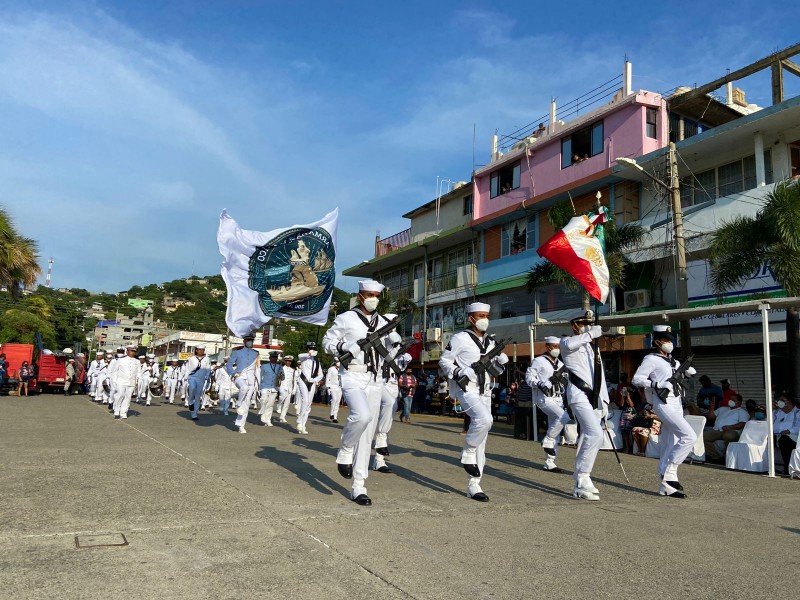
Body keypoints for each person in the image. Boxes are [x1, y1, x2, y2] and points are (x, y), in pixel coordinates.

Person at [322, 279, 394, 506]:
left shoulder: (383, 321)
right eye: (369, 294)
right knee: (361, 416)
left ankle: (359, 486)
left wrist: (395, 343)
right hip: (352, 374)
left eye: (377, 295)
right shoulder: (346, 318)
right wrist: (344, 347)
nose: (373, 299)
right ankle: (345, 449)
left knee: (367, 432)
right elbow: (327, 343)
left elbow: (388, 353)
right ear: (360, 295)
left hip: (375, 377)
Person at [439, 301, 509, 503]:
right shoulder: (460, 338)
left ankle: (474, 484)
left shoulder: (491, 342)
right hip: (467, 390)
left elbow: (495, 370)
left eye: (486, 316)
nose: (483, 320)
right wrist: (460, 371)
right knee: (485, 420)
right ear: (471, 318)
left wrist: (501, 362)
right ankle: (467, 451)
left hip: (485, 391)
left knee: (483, 439)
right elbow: (445, 360)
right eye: (479, 316)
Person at [632, 325, 697, 498]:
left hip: (676, 402)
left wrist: (687, 373)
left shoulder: (673, 361)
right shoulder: (651, 359)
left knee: (670, 441)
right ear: (657, 342)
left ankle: (666, 483)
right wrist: (656, 384)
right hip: (663, 403)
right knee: (689, 436)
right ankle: (670, 472)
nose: (670, 343)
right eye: (666, 340)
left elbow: (679, 376)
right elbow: (637, 379)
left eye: (671, 339)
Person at [560, 311, 609, 501]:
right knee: (594, 433)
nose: (588, 326)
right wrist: (590, 334)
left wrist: (604, 401)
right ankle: (583, 477)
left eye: (590, 323)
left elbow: (600, 376)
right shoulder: (566, 342)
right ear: (574, 326)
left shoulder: (592, 348)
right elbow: (571, 344)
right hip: (578, 394)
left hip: (594, 396)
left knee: (587, 437)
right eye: (584, 323)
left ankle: (578, 483)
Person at [526, 335, 570, 472]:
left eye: (558, 347)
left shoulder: (562, 364)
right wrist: (539, 383)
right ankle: (547, 440)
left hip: (558, 398)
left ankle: (550, 462)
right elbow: (529, 378)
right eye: (554, 347)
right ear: (548, 346)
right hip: (544, 398)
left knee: (555, 428)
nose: (556, 349)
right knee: (563, 417)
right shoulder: (538, 361)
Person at [373, 329, 411, 474]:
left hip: (393, 388)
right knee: (369, 423)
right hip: (378, 385)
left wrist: (400, 347)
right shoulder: (378, 351)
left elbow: (405, 360)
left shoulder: (403, 355)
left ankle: (379, 460)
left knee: (386, 426)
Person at [703, 393, 750, 462]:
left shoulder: (742, 412)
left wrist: (731, 427)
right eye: (730, 399)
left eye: (733, 400)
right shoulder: (722, 409)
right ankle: (715, 456)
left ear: (738, 402)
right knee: (703, 437)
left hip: (732, 431)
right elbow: (711, 417)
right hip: (717, 430)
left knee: (728, 436)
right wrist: (711, 408)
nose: (730, 401)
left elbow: (743, 423)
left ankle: (727, 457)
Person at [227, 333, 260, 432]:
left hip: (251, 379)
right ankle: (238, 403)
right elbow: (228, 365)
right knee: (244, 388)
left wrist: (259, 383)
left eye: (251, 340)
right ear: (244, 342)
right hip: (239, 376)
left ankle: (241, 425)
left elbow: (257, 369)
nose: (250, 342)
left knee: (246, 404)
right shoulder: (237, 352)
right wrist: (233, 373)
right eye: (248, 340)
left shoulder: (256, 353)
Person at [296, 342, 323, 434]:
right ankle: (299, 420)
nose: (312, 350)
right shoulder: (304, 358)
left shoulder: (317, 362)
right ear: (307, 349)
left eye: (314, 349)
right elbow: (299, 355)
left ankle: (303, 426)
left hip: (312, 383)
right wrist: (309, 354)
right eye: (310, 348)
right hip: (303, 380)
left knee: (308, 406)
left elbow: (321, 375)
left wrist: (315, 379)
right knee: (305, 400)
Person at [773, 395, 800, 475]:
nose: (779, 402)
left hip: (793, 437)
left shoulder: (798, 413)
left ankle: (787, 468)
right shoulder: (776, 413)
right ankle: (768, 466)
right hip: (776, 436)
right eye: (778, 400)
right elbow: (770, 425)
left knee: (784, 440)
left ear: (789, 402)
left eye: (782, 400)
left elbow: (798, 427)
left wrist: (789, 431)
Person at [111, 345, 139, 419]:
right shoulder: (120, 360)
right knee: (120, 395)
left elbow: (139, 373)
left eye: (134, 351)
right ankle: (117, 411)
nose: (133, 353)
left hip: (131, 382)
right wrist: (114, 382)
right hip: (121, 381)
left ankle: (123, 412)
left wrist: (138, 382)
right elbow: (114, 372)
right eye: (131, 351)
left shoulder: (137, 361)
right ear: (127, 351)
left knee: (128, 398)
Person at [185, 345, 212, 422]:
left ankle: (194, 413)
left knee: (198, 395)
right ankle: (190, 402)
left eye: (202, 350)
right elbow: (188, 368)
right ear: (196, 350)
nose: (201, 351)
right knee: (192, 389)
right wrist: (186, 377)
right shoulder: (191, 358)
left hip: (201, 378)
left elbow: (208, 368)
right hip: (192, 377)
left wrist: (207, 376)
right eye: (199, 350)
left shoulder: (207, 359)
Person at [257, 351, 283, 426]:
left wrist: (281, 376)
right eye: (273, 357)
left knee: (270, 404)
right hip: (265, 386)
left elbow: (283, 377)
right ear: (269, 358)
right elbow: (260, 377)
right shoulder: (264, 366)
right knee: (263, 400)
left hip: (274, 387)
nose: (274, 358)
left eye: (276, 357)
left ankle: (268, 419)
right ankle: (262, 414)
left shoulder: (279, 367)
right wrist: (259, 387)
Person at [614, 373, 638, 453]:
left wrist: (628, 396)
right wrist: (622, 396)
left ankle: (632, 447)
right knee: (624, 431)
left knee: (630, 430)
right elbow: (621, 404)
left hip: (632, 413)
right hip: (624, 412)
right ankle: (626, 447)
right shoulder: (621, 386)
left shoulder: (633, 390)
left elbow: (632, 405)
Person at [276, 355, 296, 423]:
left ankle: (282, 417)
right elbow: (278, 378)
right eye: (287, 361)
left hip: (289, 387)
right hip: (282, 385)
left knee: (287, 404)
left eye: (290, 361)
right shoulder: (281, 368)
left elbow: (294, 380)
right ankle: (278, 405)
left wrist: (294, 389)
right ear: (285, 361)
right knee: (282, 397)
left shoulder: (293, 370)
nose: (289, 362)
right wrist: (278, 386)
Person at [326, 358, 343, 423]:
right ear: (335, 362)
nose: (338, 363)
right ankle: (331, 413)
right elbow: (328, 378)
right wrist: (328, 387)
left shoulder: (342, 369)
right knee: (334, 399)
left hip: (339, 387)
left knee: (338, 402)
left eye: (339, 361)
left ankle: (335, 417)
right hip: (333, 386)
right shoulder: (331, 369)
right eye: (337, 361)